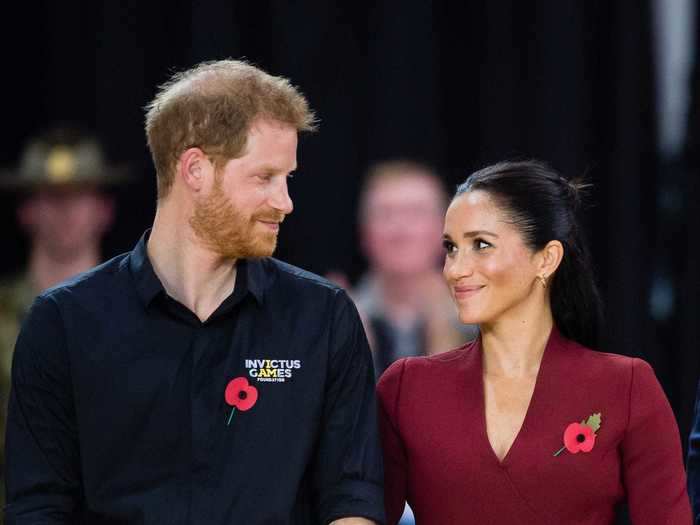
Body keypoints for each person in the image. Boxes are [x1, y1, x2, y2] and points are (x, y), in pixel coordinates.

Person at [5, 60, 383, 524]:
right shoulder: (63, 322)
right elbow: (37, 506)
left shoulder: (323, 318)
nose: (285, 203)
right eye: (264, 177)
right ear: (195, 169)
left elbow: (352, 497)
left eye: (288, 178)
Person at [377, 160, 691, 524]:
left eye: (481, 244)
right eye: (451, 247)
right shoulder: (406, 389)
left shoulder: (627, 387)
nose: (455, 269)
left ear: (547, 259)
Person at [0, 126, 120, 518]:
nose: (65, 210)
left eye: (79, 195)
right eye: (51, 197)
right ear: (26, 210)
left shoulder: (143, 311)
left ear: (104, 209)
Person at [352, 160, 476, 378]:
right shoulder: (338, 321)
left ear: (445, 229)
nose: (401, 231)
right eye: (386, 214)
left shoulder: (481, 320)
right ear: (364, 233)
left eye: (415, 213)